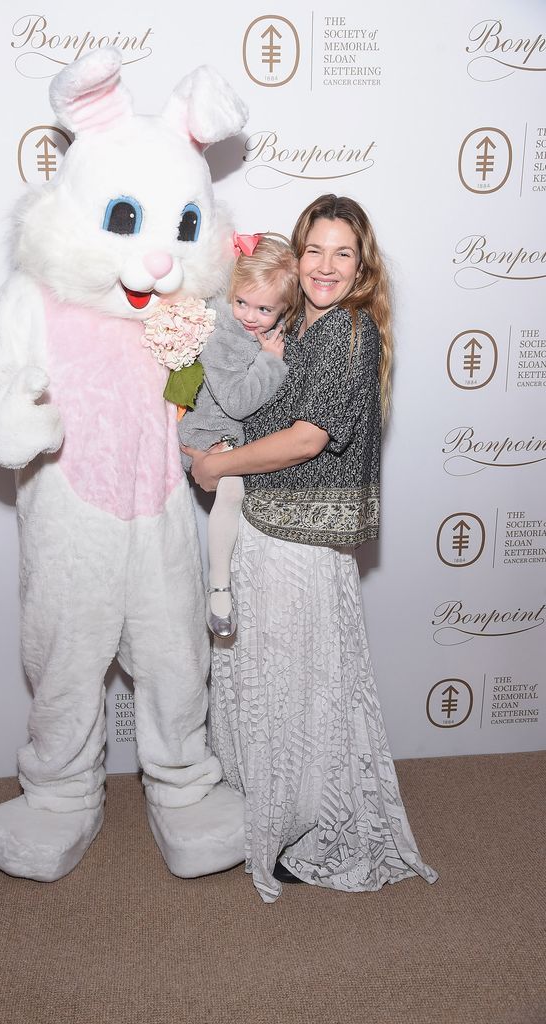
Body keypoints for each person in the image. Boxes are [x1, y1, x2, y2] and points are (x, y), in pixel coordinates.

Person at [182, 194, 438, 903]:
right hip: (266, 528)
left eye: (342, 252)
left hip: (299, 544)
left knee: (304, 686)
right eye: (314, 250)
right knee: (268, 676)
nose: (326, 266)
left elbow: (308, 437)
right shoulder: (291, 323)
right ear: (296, 257)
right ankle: (273, 801)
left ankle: (320, 825)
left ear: (362, 266)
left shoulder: (348, 332)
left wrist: (215, 466)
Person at [178, 233, 298, 637]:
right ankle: (219, 590)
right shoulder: (224, 332)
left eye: (264, 309)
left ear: (284, 309)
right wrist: (270, 362)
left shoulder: (268, 324)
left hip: (228, 430)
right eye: (242, 302)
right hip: (208, 430)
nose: (249, 315)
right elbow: (237, 402)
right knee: (232, 492)